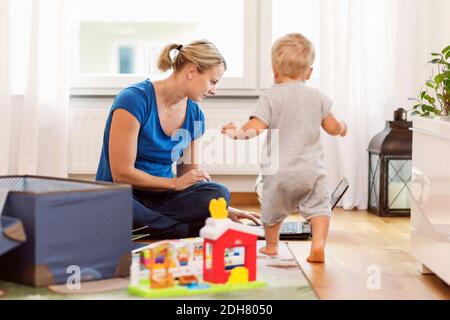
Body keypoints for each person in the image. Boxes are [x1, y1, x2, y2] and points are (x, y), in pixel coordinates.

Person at [96, 40, 260, 239]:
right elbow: (121, 174)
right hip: (124, 195)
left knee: (218, 192)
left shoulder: (196, 115)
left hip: (161, 197)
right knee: (112, 203)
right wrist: (174, 184)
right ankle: (185, 229)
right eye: (213, 81)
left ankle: (149, 227)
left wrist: (222, 208)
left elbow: (189, 177)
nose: (214, 90)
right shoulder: (133, 100)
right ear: (191, 71)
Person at [222, 33, 347, 263]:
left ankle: (271, 246)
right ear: (309, 72)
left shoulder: (271, 97)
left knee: (272, 209)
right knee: (319, 208)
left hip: (279, 172)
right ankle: (318, 244)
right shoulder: (317, 96)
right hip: (311, 171)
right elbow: (332, 126)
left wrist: (236, 133)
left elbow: (254, 129)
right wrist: (342, 128)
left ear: (274, 69)